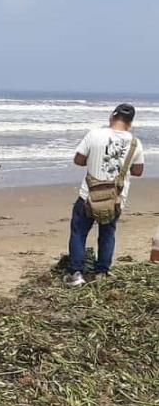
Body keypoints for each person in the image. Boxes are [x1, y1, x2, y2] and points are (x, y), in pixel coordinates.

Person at [64, 103, 145, 286]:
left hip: (88, 196)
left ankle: (76, 273)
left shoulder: (95, 134)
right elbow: (138, 171)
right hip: (115, 199)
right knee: (107, 234)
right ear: (130, 123)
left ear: (112, 116)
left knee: (79, 232)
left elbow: (78, 160)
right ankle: (102, 272)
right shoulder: (135, 143)